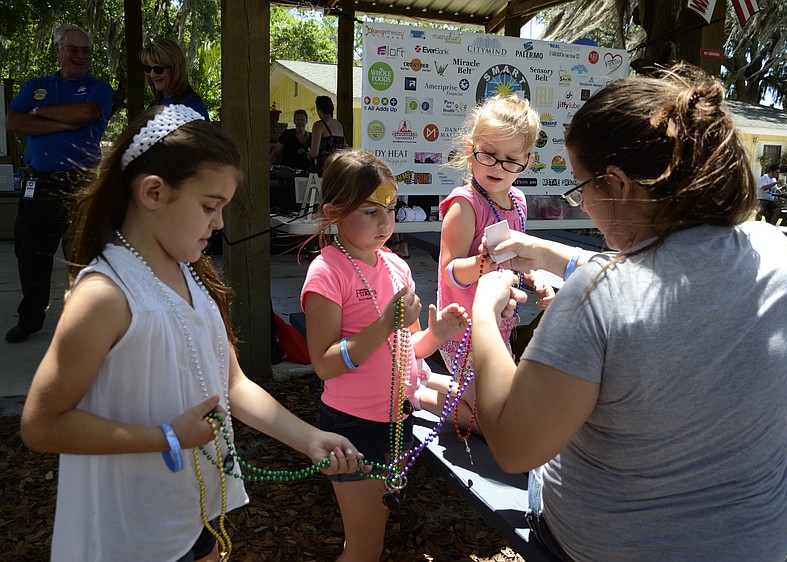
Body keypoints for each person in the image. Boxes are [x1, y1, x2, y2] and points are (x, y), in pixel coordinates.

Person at [473, 64, 787, 561]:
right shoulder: (777, 251)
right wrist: (547, 252)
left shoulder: (597, 296)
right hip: (762, 538)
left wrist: (484, 313)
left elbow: (514, 445)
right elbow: (672, 273)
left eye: (582, 187)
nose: (583, 205)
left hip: (614, 544)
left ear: (618, 183)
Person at [19, 105, 366, 562]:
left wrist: (308, 439)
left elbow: (232, 383)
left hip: (192, 509)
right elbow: (42, 424)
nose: (219, 223)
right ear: (153, 193)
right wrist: (166, 437)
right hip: (130, 532)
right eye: (209, 206)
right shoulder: (106, 295)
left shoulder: (191, 276)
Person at [300, 149, 469, 561]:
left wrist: (438, 333)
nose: (384, 221)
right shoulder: (327, 272)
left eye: (390, 209)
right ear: (334, 211)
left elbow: (410, 351)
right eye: (370, 211)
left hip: (397, 417)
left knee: (374, 538)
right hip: (353, 425)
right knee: (364, 548)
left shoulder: (395, 265)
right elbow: (323, 363)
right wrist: (386, 324)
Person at [431, 95, 560, 434]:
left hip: (499, 321)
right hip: (464, 327)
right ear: (471, 147)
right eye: (488, 154)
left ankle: (423, 384)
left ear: (527, 161)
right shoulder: (465, 206)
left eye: (510, 160)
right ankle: (418, 392)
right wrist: (483, 263)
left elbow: (518, 254)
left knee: (499, 403)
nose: (498, 167)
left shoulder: (517, 201)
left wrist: (537, 278)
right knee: (491, 419)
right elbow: (449, 271)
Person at [4, 24, 113, 343]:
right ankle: (30, 318)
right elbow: (13, 121)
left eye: (86, 50)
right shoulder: (36, 85)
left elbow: (86, 114)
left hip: (80, 184)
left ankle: (85, 321)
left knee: (84, 256)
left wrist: (39, 116)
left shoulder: (98, 88)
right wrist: (60, 120)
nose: (80, 55)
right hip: (37, 185)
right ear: (58, 50)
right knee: (30, 253)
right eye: (73, 49)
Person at [140, 37, 209, 120]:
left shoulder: (192, 107)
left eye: (158, 69)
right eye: (148, 68)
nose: (152, 75)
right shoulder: (153, 106)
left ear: (175, 69)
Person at [306, 95, 346, 176]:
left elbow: (314, 152)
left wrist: (308, 155)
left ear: (319, 109)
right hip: (339, 167)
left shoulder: (319, 125)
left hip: (325, 168)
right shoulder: (338, 124)